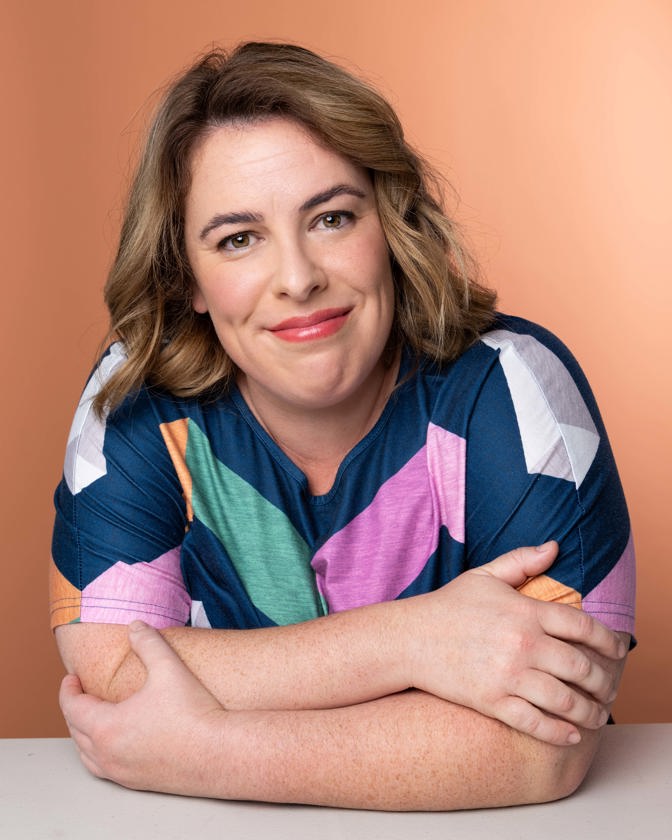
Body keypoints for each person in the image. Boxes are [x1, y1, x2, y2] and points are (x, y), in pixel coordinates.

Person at [51, 42, 635, 810]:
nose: (298, 279)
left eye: (331, 218)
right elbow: (115, 672)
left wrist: (207, 750)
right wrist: (416, 638)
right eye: (237, 238)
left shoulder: (517, 389)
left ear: (388, 224)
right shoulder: (132, 398)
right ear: (186, 276)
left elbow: (546, 746)